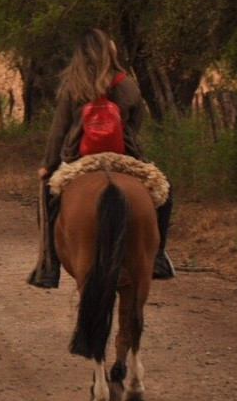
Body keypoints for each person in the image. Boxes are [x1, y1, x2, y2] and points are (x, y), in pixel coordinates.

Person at [28, 28, 175, 288]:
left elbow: (58, 130)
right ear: (109, 50)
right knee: (165, 192)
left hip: (80, 158)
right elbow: (137, 123)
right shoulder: (127, 84)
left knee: (49, 197)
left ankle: (48, 266)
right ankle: (158, 255)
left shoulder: (73, 87)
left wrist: (47, 165)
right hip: (124, 157)